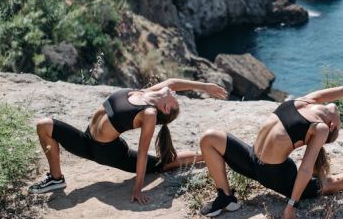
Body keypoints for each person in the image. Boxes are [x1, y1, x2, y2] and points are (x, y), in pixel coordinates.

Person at [198, 84, 343, 219]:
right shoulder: (307, 101)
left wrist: (291, 204)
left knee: (328, 184)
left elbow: (306, 168)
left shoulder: (317, 125)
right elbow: (339, 91)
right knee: (209, 138)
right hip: (252, 159)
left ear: (332, 126)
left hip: (277, 176)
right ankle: (225, 197)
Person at [29, 78, 227, 204]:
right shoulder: (144, 94)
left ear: (165, 109)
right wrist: (204, 86)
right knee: (44, 125)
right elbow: (173, 83)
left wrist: (137, 188)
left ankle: (206, 155)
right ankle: (56, 179)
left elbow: (142, 152)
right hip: (86, 139)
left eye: (175, 99)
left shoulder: (149, 113)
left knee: (163, 164)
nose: (175, 94)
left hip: (109, 152)